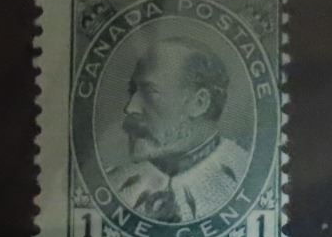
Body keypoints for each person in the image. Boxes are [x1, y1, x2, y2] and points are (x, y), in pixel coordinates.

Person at [107, 36, 251, 224]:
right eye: (133, 92)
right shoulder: (114, 183)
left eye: (150, 92)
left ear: (199, 103)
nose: (130, 108)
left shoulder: (246, 177)